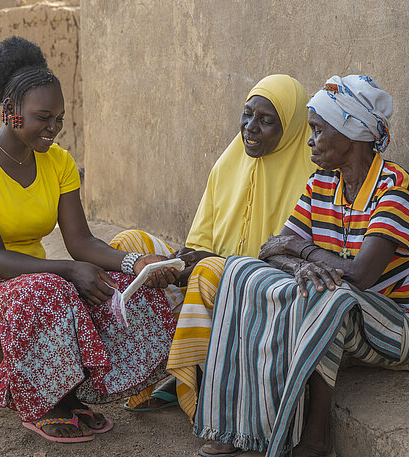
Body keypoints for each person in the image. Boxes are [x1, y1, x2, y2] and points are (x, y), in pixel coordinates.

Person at [0, 36, 179, 444]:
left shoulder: (59, 162)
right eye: (42, 117)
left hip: (38, 284)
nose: (53, 128)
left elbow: (82, 241)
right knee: (52, 289)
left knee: (120, 289)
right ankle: (43, 403)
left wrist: (132, 263)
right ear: (11, 113)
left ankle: (75, 393)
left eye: (60, 119)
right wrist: (67, 270)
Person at [194, 75, 409, 457]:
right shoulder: (321, 183)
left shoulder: (396, 189)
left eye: (318, 130)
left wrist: (304, 252)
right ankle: (241, 425)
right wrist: (299, 260)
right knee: (240, 272)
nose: (310, 140)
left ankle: (315, 441)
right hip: (354, 316)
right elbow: (271, 249)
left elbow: (360, 275)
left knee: (326, 296)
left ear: (350, 135)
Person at [111, 74, 317, 423]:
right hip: (212, 274)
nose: (250, 128)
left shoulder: (312, 179)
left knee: (208, 272)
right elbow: (200, 242)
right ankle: (137, 374)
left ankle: (200, 393)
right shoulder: (229, 162)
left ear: (293, 127)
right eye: (247, 114)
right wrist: (181, 259)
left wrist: (213, 262)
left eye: (267, 121)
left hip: (263, 291)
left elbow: (289, 262)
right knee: (130, 245)